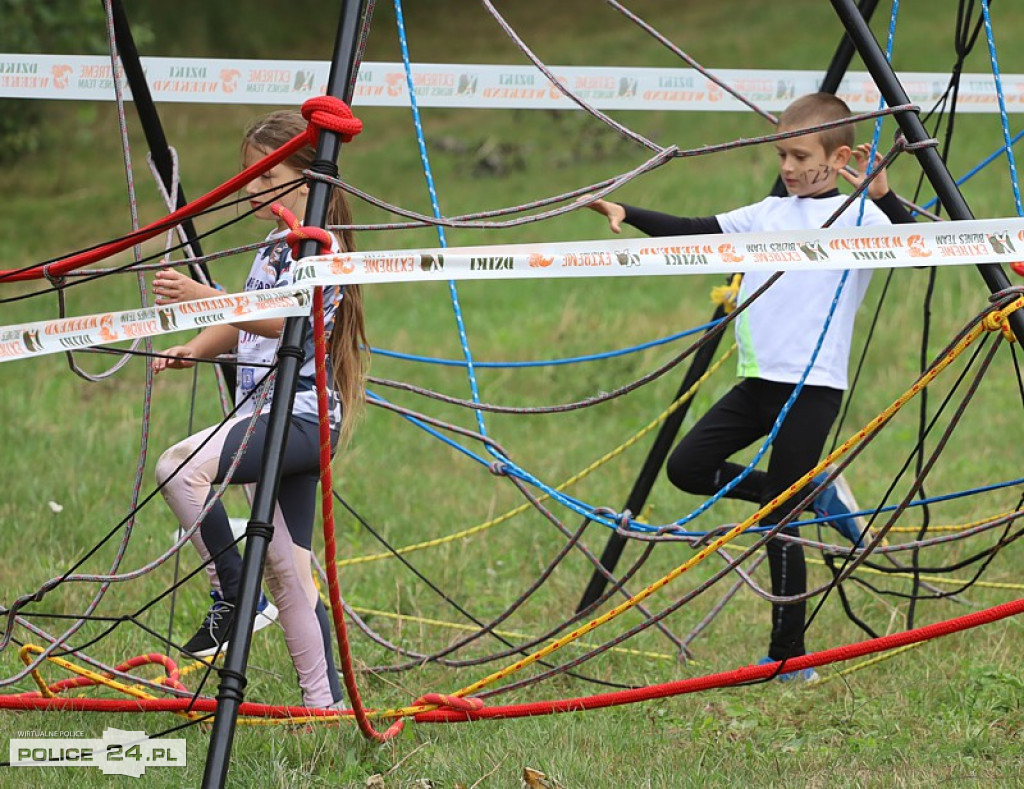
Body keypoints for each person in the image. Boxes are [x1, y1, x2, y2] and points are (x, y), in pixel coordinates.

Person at [584, 93, 911, 682]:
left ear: (839, 159)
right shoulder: (765, 215)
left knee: (776, 522)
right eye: (781, 154)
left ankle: (790, 657)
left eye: (799, 155)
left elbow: (925, 247)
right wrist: (627, 212)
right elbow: (693, 231)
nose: (787, 167)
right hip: (758, 382)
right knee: (687, 467)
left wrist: (885, 196)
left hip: (813, 387)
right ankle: (811, 494)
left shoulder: (863, 217)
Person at [152, 110, 368, 708]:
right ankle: (323, 709)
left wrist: (205, 296)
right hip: (277, 419)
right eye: (247, 175)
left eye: (263, 175)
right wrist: (194, 346)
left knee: (178, 468)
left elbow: (286, 320)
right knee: (293, 574)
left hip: (298, 420)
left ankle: (234, 594)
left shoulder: (321, 246)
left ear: (304, 179)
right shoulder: (277, 243)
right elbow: (249, 327)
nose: (248, 187)